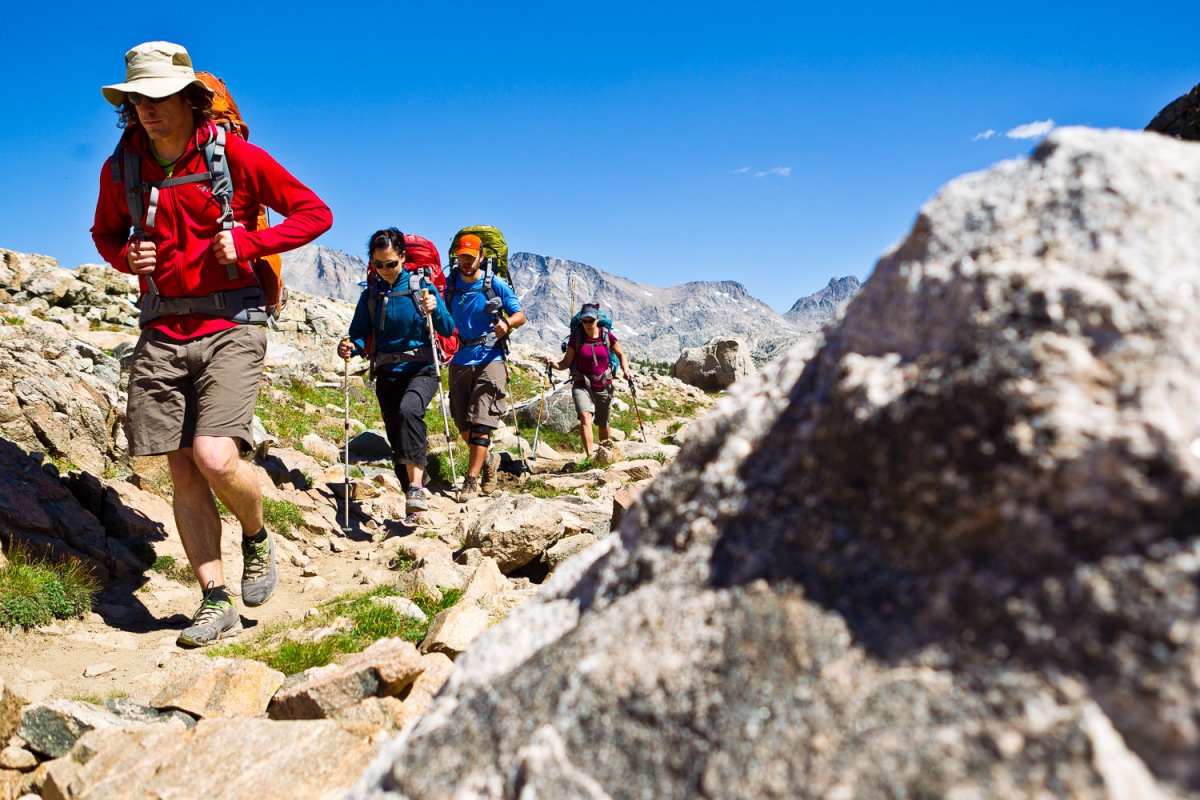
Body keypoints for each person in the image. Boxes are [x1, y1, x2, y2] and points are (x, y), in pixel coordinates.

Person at [91, 42, 333, 647]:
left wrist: (252, 246)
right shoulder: (121, 167)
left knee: (216, 456)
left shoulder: (236, 158)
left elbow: (315, 212)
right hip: (162, 327)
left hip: (232, 323)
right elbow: (105, 234)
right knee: (183, 469)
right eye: (136, 99)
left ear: (190, 99)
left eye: (158, 97)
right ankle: (214, 598)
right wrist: (127, 256)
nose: (146, 109)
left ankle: (256, 533)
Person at [337, 228, 454, 516]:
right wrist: (350, 346)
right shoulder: (371, 296)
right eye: (379, 265)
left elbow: (448, 329)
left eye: (391, 263)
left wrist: (434, 309)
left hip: (423, 368)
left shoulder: (422, 288)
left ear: (403, 257)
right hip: (387, 373)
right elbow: (360, 335)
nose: (386, 270)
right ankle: (412, 498)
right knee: (396, 436)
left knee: (409, 411)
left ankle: (416, 489)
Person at [444, 233, 526, 501]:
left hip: (490, 356)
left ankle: (470, 480)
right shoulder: (450, 284)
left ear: (481, 257)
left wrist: (507, 324)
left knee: (481, 422)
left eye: (471, 257)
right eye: (462, 257)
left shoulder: (495, 284)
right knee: (461, 421)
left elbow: (520, 314)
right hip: (459, 358)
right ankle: (490, 459)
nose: (466, 262)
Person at [547, 303, 631, 458]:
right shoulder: (576, 337)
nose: (587, 324)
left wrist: (626, 370)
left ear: (597, 319)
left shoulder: (607, 335)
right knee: (585, 416)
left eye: (590, 321)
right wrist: (553, 364)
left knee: (603, 423)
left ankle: (605, 455)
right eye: (584, 321)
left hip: (604, 384)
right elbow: (565, 363)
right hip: (581, 384)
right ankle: (590, 456)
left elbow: (621, 355)